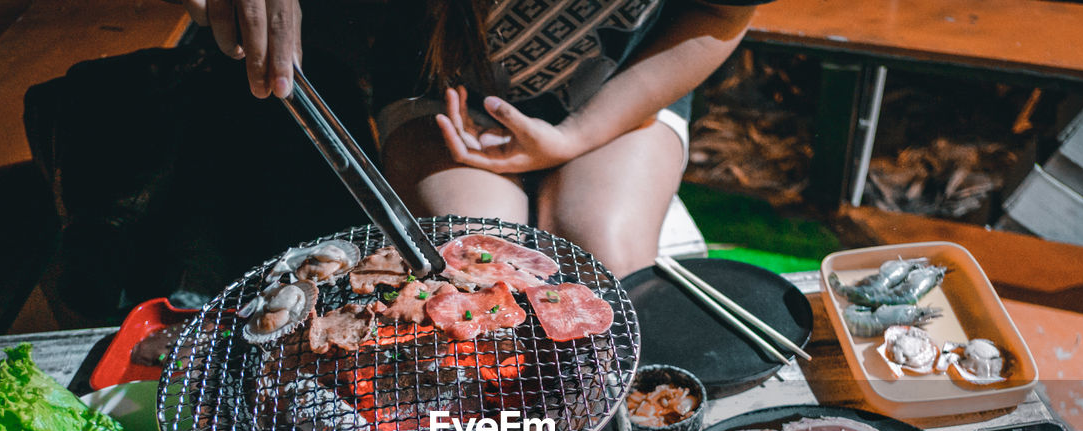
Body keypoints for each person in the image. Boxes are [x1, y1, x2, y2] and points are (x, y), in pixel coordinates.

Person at [175, 0, 770, 277]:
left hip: (621, 78)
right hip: (443, 78)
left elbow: (719, 15)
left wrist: (574, 137)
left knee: (606, 263)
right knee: (477, 263)